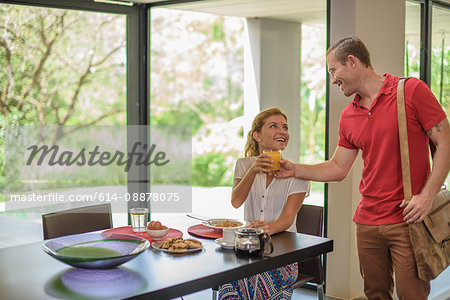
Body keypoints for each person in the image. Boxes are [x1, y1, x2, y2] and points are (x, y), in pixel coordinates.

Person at [274, 36, 450, 299]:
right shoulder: (349, 116)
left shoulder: (411, 91)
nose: (333, 79)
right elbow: (338, 167)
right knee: (374, 294)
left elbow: (445, 143)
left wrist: (426, 196)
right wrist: (294, 169)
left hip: (408, 219)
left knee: (412, 294)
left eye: (334, 71)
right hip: (367, 222)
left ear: (352, 62)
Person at [219, 107, 310, 300]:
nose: (282, 131)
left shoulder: (298, 173)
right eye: (274, 126)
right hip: (246, 249)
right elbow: (236, 202)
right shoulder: (244, 165)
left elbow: (287, 219)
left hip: (283, 254)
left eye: (285, 127)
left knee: (259, 283)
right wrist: (253, 170)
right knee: (229, 280)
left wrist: (264, 230)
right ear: (257, 135)